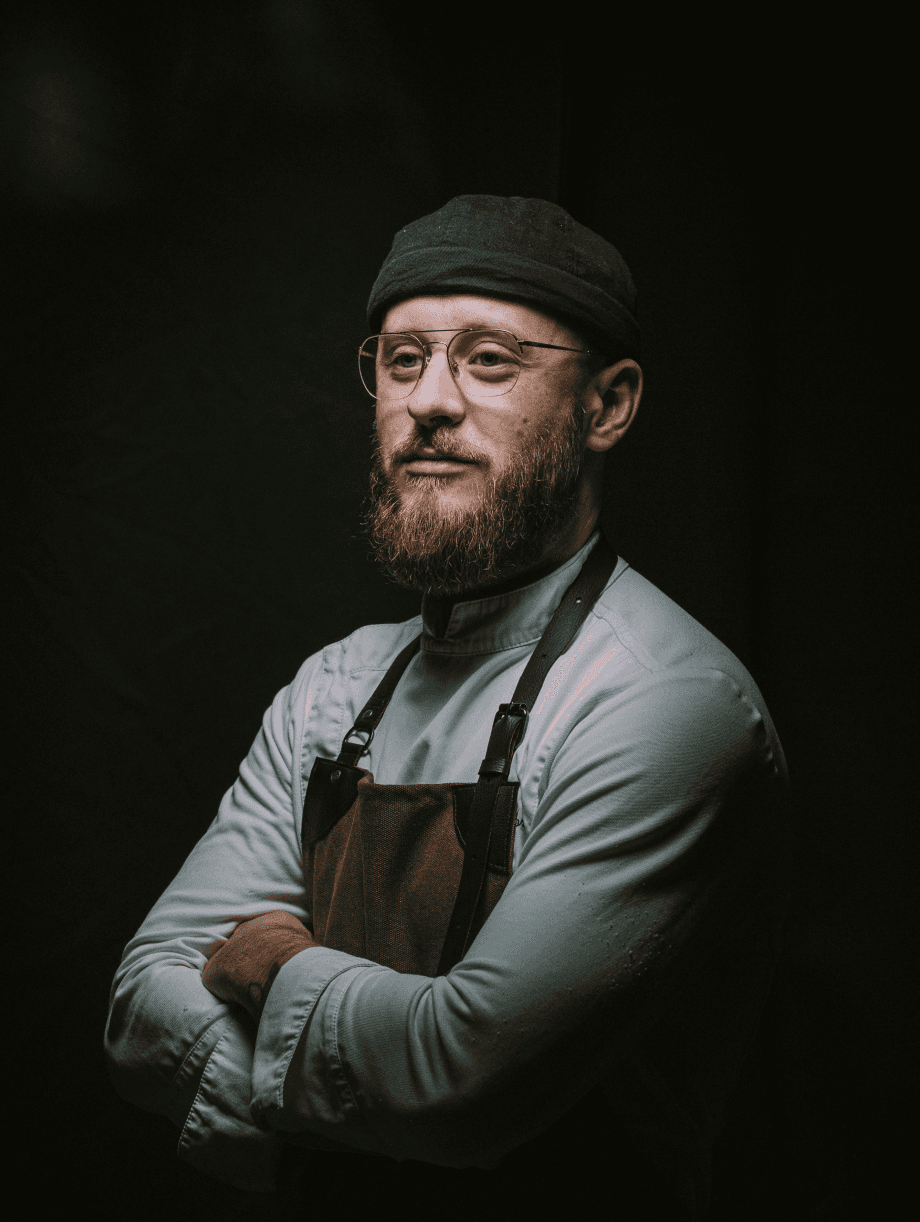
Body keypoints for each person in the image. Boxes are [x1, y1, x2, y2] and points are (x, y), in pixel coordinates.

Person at [105, 195, 789, 1220]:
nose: (428, 400)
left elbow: (459, 1079)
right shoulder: (334, 686)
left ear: (606, 406)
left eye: (488, 360)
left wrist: (279, 964)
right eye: (401, 357)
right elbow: (140, 1001)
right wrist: (353, 1114)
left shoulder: (664, 703)